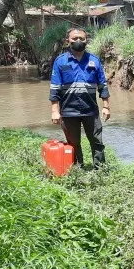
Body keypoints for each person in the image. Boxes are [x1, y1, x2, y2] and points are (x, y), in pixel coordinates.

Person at [49, 28, 110, 169]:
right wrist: (54, 111)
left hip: (91, 109)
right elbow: (55, 87)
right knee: (73, 142)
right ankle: (78, 169)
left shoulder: (94, 61)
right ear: (67, 41)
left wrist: (106, 106)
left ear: (86, 40)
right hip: (68, 110)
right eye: (74, 38)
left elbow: (103, 85)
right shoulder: (60, 61)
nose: (78, 41)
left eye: (81, 38)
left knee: (96, 141)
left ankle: (100, 170)